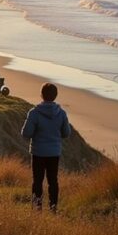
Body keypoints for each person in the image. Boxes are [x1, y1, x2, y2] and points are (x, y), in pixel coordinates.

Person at [21, 83, 71, 212]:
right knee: (53, 181)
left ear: (41, 95)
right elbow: (66, 133)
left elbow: (26, 133)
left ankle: (36, 209)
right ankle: (53, 208)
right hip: (54, 152)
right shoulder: (61, 113)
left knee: (37, 181)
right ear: (55, 96)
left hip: (38, 151)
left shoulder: (34, 113)